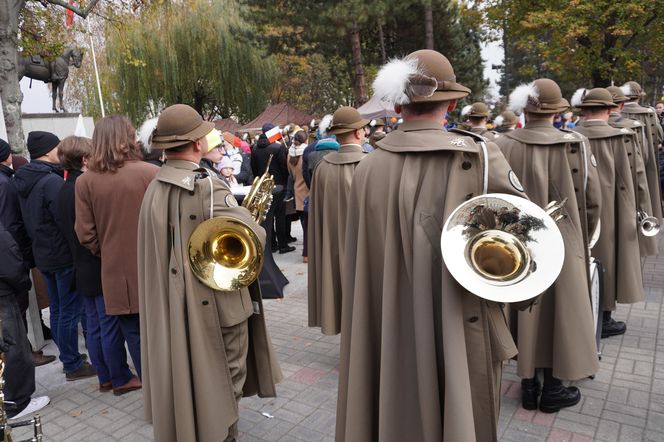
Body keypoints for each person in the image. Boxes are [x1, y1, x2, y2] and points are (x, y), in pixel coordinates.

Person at [337, 49, 529, 441]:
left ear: (399, 103)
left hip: (389, 320)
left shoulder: (368, 166)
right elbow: (526, 242)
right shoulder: (480, 154)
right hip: (460, 316)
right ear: (454, 102)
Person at [137, 104, 282, 442]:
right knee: (225, 383)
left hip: (178, 309)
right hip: (219, 309)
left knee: (193, 379)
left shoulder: (154, 189)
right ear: (197, 143)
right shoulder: (206, 186)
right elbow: (253, 239)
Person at [496, 78, 601, 413]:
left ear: (525, 109)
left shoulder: (501, 144)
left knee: (527, 309)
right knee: (561, 311)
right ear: (558, 112)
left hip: (516, 241)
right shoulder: (576, 143)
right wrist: (585, 238)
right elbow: (592, 200)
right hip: (565, 238)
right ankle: (553, 388)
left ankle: (528, 384)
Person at [75, 116, 159, 380]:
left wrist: (109, 251)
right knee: (161, 331)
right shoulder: (150, 173)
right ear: (128, 138)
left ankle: (153, 392)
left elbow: (85, 234)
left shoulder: (85, 181)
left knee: (133, 334)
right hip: (155, 267)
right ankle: (172, 391)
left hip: (116, 273)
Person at [57, 136, 142, 396]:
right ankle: (119, 377)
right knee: (109, 326)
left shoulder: (62, 188)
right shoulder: (82, 187)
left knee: (94, 325)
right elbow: (89, 230)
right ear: (84, 159)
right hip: (98, 262)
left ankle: (105, 376)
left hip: (81, 265)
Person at [13, 131, 95, 380]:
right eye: (57, 146)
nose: (60, 150)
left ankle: (68, 356)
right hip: (61, 254)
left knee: (59, 309)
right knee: (68, 310)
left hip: (44, 254)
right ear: (49, 151)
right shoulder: (51, 182)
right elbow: (64, 220)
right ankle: (71, 363)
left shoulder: (24, 178)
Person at [572, 88, 645, 337]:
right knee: (609, 260)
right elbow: (636, 178)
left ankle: (580, 315)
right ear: (610, 108)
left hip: (576, 207)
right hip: (614, 207)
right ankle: (604, 317)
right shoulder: (621, 137)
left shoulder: (570, 135)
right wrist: (640, 210)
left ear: (584, 110)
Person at [307, 107, 366, 336]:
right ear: (359, 133)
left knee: (338, 289)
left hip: (331, 245)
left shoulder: (323, 168)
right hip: (362, 248)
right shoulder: (371, 164)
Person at [0, 139, 55, 367]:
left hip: (11, 253)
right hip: (12, 255)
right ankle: (26, 354)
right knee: (16, 307)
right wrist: (19, 253)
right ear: (7, 156)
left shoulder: (7, 180)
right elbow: (10, 222)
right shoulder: (4, 184)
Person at [0, 220, 50, 420]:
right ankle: (18, 402)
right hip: (3, 295)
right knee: (14, 347)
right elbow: (10, 263)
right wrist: (23, 284)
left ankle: (11, 399)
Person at [606, 85, 658, 257]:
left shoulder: (577, 132)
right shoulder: (642, 118)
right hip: (629, 182)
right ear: (621, 105)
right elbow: (645, 156)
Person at [621, 81, 664, 221]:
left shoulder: (618, 113)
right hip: (647, 163)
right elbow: (659, 136)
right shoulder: (649, 112)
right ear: (639, 97)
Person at [251, 124, 294, 254]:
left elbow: (253, 168)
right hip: (279, 185)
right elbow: (283, 167)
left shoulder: (255, 149)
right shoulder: (278, 147)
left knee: (267, 216)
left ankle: (272, 244)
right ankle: (282, 244)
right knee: (279, 216)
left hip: (262, 185)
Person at [287, 130, 310, 262]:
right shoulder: (307, 153)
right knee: (309, 224)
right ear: (306, 140)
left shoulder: (290, 155)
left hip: (297, 190)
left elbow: (290, 173)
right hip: (307, 189)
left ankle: (306, 251)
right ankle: (307, 251)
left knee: (303, 222)